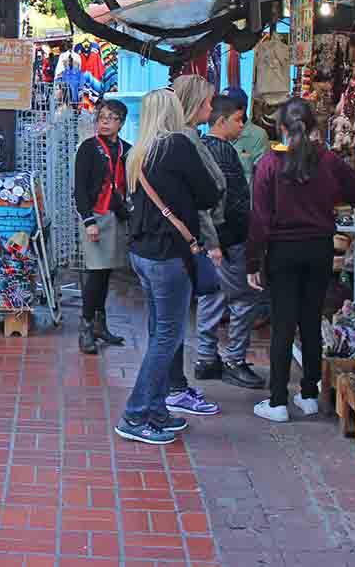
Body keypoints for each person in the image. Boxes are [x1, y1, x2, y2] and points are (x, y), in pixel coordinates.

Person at [247, 98, 355, 422]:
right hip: (319, 249)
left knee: (282, 324)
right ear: (312, 127)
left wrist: (253, 261)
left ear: (280, 127)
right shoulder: (328, 161)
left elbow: (259, 219)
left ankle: (278, 401)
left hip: (282, 252)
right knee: (310, 321)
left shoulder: (269, 163)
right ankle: (309, 394)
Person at [115, 89, 221, 446]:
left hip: (143, 252)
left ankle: (156, 410)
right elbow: (209, 194)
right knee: (169, 335)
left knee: (159, 330)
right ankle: (135, 413)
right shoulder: (177, 145)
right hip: (168, 254)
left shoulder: (137, 152)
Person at [194, 94, 264, 389]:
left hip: (210, 239)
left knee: (212, 296)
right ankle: (234, 359)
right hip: (228, 238)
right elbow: (231, 202)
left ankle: (206, 357)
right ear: (221, 120)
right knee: (244, 298)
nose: (241, 125)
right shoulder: (222, 152)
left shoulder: (198, 147)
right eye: (238, 119)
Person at [166, 74, 226, 417]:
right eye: (205, 102)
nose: (210, 108)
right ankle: (172, 388)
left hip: (183, 242)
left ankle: (171, 385)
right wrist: (211, 242)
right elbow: (201, 199)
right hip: (188, 242)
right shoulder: (183, 142)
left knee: (170, 321)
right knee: (171, 323)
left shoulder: (184, 138)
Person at [74, 98, 131, 353]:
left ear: (121, 123)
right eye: (101, 117)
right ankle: (85, 326)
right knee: (95, 273)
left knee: (107, 273)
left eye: (111, 118)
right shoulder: (88, 148)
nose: (105, 122)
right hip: (95, 217)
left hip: (115, 216)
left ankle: (100, 324)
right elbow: (80, 190)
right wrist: (88, 221)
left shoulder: (126, 149)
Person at [226, 87, 271, 184]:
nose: (224, 112)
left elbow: (262, 175)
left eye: (228, 108)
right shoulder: (219, 130)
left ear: (242, 109)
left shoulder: (258, 135)